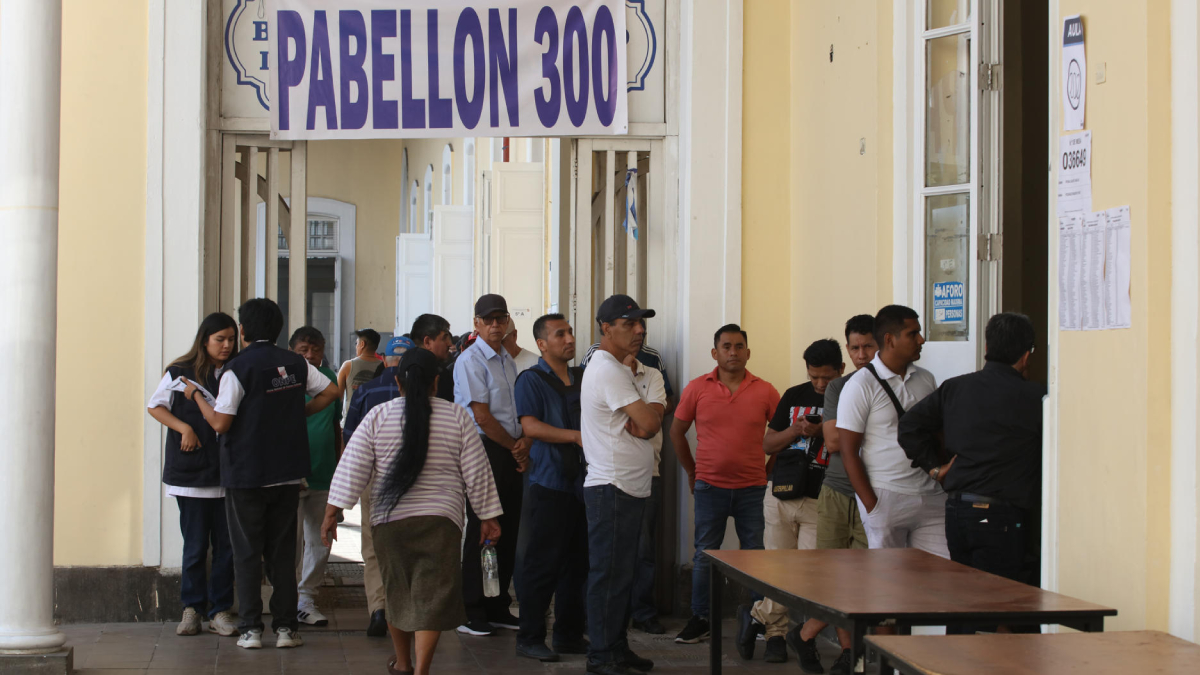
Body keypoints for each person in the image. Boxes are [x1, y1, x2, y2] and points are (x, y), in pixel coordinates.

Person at [322, 348, 503, 675]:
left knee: (398, 592)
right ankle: (422, 670)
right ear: (437, 381)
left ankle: (403, 663)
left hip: (390, 522)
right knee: (433, 597)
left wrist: (332, 512)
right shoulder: (457, 416)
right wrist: (488, 516)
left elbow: (352, 468)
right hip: (442, 521)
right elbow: (478, 472)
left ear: (397, 381)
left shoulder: (378, 415)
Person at [186, 298, 339, 650]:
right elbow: (331, 391)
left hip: (247, 474)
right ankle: (286, 629)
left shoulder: (238, 367)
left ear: (242, 331)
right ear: (278, 330)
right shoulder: (295, 363)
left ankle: (252, 629)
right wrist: (297, 413)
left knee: (246, 553)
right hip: (287, 475)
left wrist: (197, 398)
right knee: (283, 554)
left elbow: (222, 423)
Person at [899, 313, 1045, 595]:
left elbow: (908, 426)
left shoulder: (956, 387)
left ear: (987, 349)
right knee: (1005, 604)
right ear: (1026, 356)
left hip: (959, 511)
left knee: (963, 604)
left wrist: (934, 468)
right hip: (1003, 516)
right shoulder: (1035, 398)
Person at [670, 324, 780, 645]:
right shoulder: (697, 388)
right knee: (705, 554)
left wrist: (769, 471)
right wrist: (692, 472)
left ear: (748, 352)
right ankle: (701, 618)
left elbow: (783, 437)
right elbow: (677, 433)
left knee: (757, 554)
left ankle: (760, 619)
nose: (734, 352)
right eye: (727, 346)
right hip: (709, 487)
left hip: (753, 489)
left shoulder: (766, 391)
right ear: (715, 353)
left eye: (740, 346)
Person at [785, 315, 878, 675]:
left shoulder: (894, 385)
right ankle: (848, 653)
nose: (861, 355)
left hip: (874, 492)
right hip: (838, 491)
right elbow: (836, 441)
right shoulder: (841, 388)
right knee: (833, 577)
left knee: (861, 580)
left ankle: (806, 634)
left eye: (867, 346)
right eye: (855, 347)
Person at [740, 339, 842, 663]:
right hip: (781, 492)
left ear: (841, 370)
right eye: (814, 377)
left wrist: (823, 433)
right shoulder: (794, 395)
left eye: (826, 377)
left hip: (820, 499)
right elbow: (768, 443)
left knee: (808, 575)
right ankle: (775, 637)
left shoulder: (848, 395)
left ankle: (756, 614)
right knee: (778, 569)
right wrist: (797, 430)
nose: (820, 384)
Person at [580, 294, 664, 675]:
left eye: (641, 323)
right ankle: (600, 655)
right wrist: (647, 419)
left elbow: (647, 420)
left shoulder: (620, 368)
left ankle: (615, 646)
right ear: (606, 328)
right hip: (610, 486)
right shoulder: (607, 368)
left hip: (627, 486)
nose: (639, 330)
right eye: (629, 324)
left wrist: (646, 417)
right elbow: (649, 423)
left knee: (621, 575)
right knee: (609, 576)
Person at [146, 312, 240, 638]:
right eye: (220, 339)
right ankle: (192, 609)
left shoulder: (236, 371)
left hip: (228, 475)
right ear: (205, 340)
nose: (227, 346)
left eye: (231, 339)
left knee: (226, 548)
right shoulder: (180, 372)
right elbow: (156, 406)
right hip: (192, 475)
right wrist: (183, 426)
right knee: (195, 546)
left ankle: (221, 610)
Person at [512, 313, 590, 662]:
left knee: (578, 564)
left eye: (570, 332)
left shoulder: (583, 377)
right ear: (542, 344)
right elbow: (530, 426)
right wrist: (574, 436)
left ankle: (569, 635)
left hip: (584, 484)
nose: (569, 339)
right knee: (542, 565)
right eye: (560, 334)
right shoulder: (531, 380)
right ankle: (530, 637)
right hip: (549, 482)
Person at [838, 305, 944, 557]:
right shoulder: (860, 384)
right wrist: (872, 506)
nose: (921, 340)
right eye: (913, 334)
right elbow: (848, 451)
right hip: (886, 495)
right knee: (888, 583)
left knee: (943, 577)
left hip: (932, 495)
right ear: (889, 339)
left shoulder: (926, 379)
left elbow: (937, 434)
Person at [454, 294, 528, 636]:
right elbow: (482, 416)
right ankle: (472, 609)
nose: (496, 325)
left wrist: (521, 443)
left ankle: (497, 605)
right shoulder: (471, 361)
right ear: (477, 324)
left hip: (510, 450)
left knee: (509, 527)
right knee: (484, 528)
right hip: (486, 449)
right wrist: (515, 445)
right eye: (489, 320)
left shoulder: (506, 360)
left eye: (501, 319)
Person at [342, 334, 415, 637]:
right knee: (409, 544)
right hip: (414, 477)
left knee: (373, 545)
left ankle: (378, 608)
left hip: (374, 477)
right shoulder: (424, 394)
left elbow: (350, 438)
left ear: (384, 360)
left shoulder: (365, 390)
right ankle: (407, 609)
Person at [289, 326, 342, 628]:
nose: (310, 356)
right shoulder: (284, 380)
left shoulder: (332, 380)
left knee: (321, 540)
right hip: (291, 474)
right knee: (291, 542)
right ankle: (287, 597)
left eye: (316, 349)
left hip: (324, 473)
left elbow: (336, 427)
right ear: (292, 351)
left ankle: (306, 599)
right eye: (303, 351)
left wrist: (338, 472)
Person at [410, 313, 456, 401]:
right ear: (427, 342)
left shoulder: (403, 370)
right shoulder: (441, 376)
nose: (450, 344)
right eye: (444, 338)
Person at [338, 328, 383, 411]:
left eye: (356, 343)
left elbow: (338, 397)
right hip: (375, 419)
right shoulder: (384, 366)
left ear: (362, 344)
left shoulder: (348, 365)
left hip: (351, 420)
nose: (356, 346)